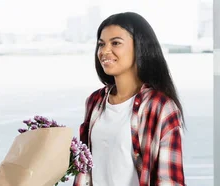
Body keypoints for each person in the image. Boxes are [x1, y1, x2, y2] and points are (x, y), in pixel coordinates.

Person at [73, 12, 186, 186]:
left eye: (115, 43)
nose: (104, 51)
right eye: (101, 44)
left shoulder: (161, 107)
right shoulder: (95, 101)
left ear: (140, 47)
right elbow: (85, 170)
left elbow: (169, 180)